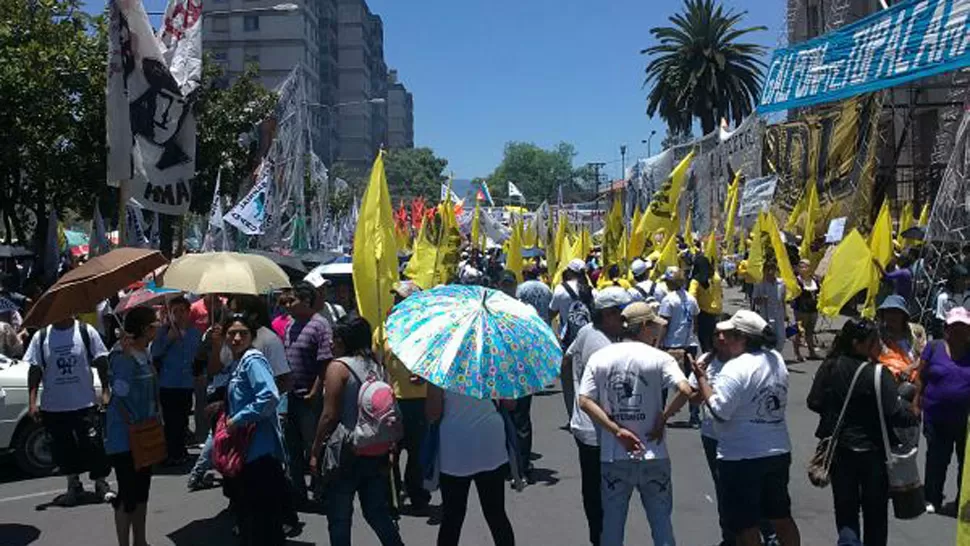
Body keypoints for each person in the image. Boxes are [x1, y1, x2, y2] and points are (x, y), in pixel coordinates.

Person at [578, 301, 691, 546]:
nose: (657, 332)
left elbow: (584, 400)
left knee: (612, 526)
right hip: (654, 452)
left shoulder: (601, 357)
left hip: (614, 454)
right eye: (654, 327)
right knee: (661, 523)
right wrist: (664, 417)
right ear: (644, 326)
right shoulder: (659, 358)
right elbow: (685, 389)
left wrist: (617, 430)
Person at [691, 310, 801, 546]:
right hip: (777, 450)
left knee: (744, 524)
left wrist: (701, 378)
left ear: (742, 337)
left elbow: (720, 411)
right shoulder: (775, 359)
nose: (724, 340)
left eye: (729, 335)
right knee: (781, 516)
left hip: (741, 456)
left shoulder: (736, 368)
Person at [807, 318, 918, 545]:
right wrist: (914, 408)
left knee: (846, 512)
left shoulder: (831, 366)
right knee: (875, 514)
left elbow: (814, 401)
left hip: (840, 451)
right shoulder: (877, 374)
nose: (880, 346)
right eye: (875, 342)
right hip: (874, 454)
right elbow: (896, 414)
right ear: (858, 344)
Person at [308, 315, 404, 546]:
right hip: (375, 447)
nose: (331, 343)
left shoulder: (338, 368)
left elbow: (329, 415)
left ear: (344, 341)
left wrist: (314, 450)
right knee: (377, 512)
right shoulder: (377, 366)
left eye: (335, 339)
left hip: (345, 451)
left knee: (340, 518)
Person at [562, 287, 630, 545]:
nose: (625, 322)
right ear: (609, 315)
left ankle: (599, 537)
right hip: (599, 432)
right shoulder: (604, 347)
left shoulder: (585, 332)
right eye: (621, 316)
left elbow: (566, 362)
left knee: (593, 491)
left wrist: (571, 402)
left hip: (583, 426)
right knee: (606, 494)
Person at [24, 315, 114, 505]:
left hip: (85, 402)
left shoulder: (85, 332)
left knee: (94, 445)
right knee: (63, 449)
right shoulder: (41, 337)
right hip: (54, 405)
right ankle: (73, 485)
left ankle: (101, 484)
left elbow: (102, 362)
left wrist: (106, 390)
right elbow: (34, 370)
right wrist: (32, 401)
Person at [223, 313, 287, 545]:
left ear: (252, 336)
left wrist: (238, 418)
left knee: (261, 518)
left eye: (243, 333)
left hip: (258, 451)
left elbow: (269, 397)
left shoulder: (252, 360)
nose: (237, 337)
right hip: (245, 450)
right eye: (232, 333)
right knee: (252, 515)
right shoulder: (237, 362)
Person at [427, 380, 515, 546]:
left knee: (452, 517)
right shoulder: (493, 361)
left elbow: (433, 413)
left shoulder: (440, 370)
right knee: (496, 513)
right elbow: (510, 404)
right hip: (490, 445)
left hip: (454, 450)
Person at [104, 307, 161, 546]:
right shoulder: (120, 355)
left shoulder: (145, 353)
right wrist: (126, 361)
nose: (158, 327)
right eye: (154, 324)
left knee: (142, 492)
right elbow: (120, 392)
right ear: (145, 329)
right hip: (124, 435)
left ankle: (141, 540)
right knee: (127, 495)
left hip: (145, 431)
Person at [380, 281, 431, 513]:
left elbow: (437, 363)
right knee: (391, 451)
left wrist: (425, 376)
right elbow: (377, 363)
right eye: (395, 298)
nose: (397, 303)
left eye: (402, 299)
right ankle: (393, 493)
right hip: (391, 400)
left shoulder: (428, 330)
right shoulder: (383, 330)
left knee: (417, 453)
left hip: (420, 402)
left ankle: (417, 492)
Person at [282, 281, 333, 503]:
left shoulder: (320, 325)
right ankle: (297, 493)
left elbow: (325, 364)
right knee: (291, 447)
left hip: (311, 397)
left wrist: (315, 392)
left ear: (305, 301)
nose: (287, 305)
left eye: (291, 300)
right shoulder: (290, 325)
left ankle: (320, 489)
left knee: (314, 446)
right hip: (291, 396)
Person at [916, 307, 970, 514]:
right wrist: (916, 402)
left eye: (964, 328)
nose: (959, 332)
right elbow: (921, 375)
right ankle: (932, 497)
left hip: (965, 420)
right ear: (946, 329)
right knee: (937, 460)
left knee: (965, 464)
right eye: (955, 328)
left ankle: (962, 501)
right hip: (936, 416)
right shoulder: (934, 347)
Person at [151, 296, 203, 465]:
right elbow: (155, 354)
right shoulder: (163, 332)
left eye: (182, 311)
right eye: (175, 312)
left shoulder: (195, 333)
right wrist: (169, 339)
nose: (179, 315)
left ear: (188, 312)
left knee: (183, 418)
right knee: (170, 419)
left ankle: (180, 449)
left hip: (186, 382)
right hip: (168, 382)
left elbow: (198, 355)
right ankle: (171, 452)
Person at [658, 266, 700, 426]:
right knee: (691, 381)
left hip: (671, 345)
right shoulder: (691, 298)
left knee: (663, 383)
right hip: (689, 344)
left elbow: (664, 324)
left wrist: (658, 344)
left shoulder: (668, 300)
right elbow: (696, 322)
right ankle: (694, 415)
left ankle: (661, 413)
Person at [876, 295, 926, 384]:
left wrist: (909, 368)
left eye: (896, 312)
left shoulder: (917, 330)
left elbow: (925, 356)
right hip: (890, 379)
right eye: (888, 312)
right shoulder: (879, 333)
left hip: (916, 375)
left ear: (903, 315)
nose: (891, 316)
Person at [549, 259, 594, 345]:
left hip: (567, 338)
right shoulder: (591, 290)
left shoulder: (560, 289)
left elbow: (551, 313)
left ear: (569, 272)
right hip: (587, 337)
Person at [751, 260, 789, 353]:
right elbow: (755, 301)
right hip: (766, 314)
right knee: (768, 339)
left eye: (772, 270)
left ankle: (777, 355)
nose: (770, 272)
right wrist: (762, 299)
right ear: (764, 271)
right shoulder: (759, 284)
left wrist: (785, 314)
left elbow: (783, 300)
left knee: (781, 338)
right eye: (768, 270)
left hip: (778, 314)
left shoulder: (781, 283)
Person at [689, 255, 723, 353]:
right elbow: (721, 293)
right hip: (718, 313)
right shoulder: (716, 277)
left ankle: (707, 364)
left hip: (704, 315)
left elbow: (691, 299)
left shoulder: (696, 281)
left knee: (705, 343)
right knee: (716, 343)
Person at [792, 260, 821, 362]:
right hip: (801, 309)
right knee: (799, 331)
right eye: (803, 267)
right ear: (799, 269)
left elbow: (819, 292)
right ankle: (797, 353)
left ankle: (811, 352)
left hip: (813, 309)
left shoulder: (815, 280)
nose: (805, 269)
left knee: (810, 331)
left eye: (807, 266)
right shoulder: (797, 281)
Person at [932, 265, 969, 338]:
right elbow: (940, 324)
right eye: (962, 279)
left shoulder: (968, 296)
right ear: (954, 280)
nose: (966, 282)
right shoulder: (943, 298)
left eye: (967, 279)